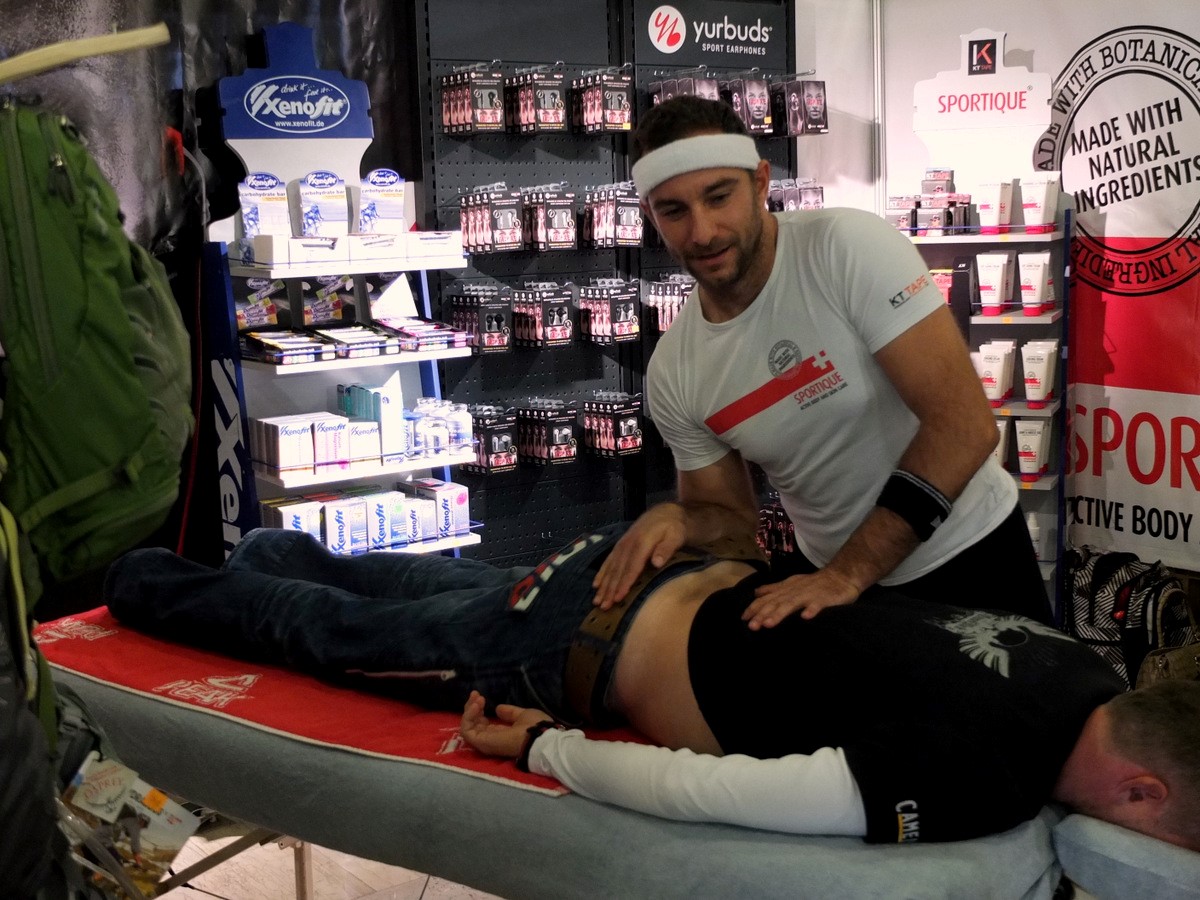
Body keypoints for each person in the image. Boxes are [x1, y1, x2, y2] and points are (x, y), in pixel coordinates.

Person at [103, 526, 1200, 849]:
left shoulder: (1079, 660)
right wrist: (544, 748)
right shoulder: (985, 777)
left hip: (649, 573)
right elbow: (706, 791)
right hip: (574, 648)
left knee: (426, 590)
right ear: (1142, 790)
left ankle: (274, 550)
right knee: (328, 637)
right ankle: (140, 581)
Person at [593, 95, 1049, 629]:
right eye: (674, 211)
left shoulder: (848, 248)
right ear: (650, 215)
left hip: (971, 554)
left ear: (760, 183)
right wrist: (681, 520)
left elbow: (965, 428)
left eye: (719, 197)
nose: (703, 231)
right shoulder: (674, 370)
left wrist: (849, 573)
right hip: (835, 589)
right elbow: (732, 523)